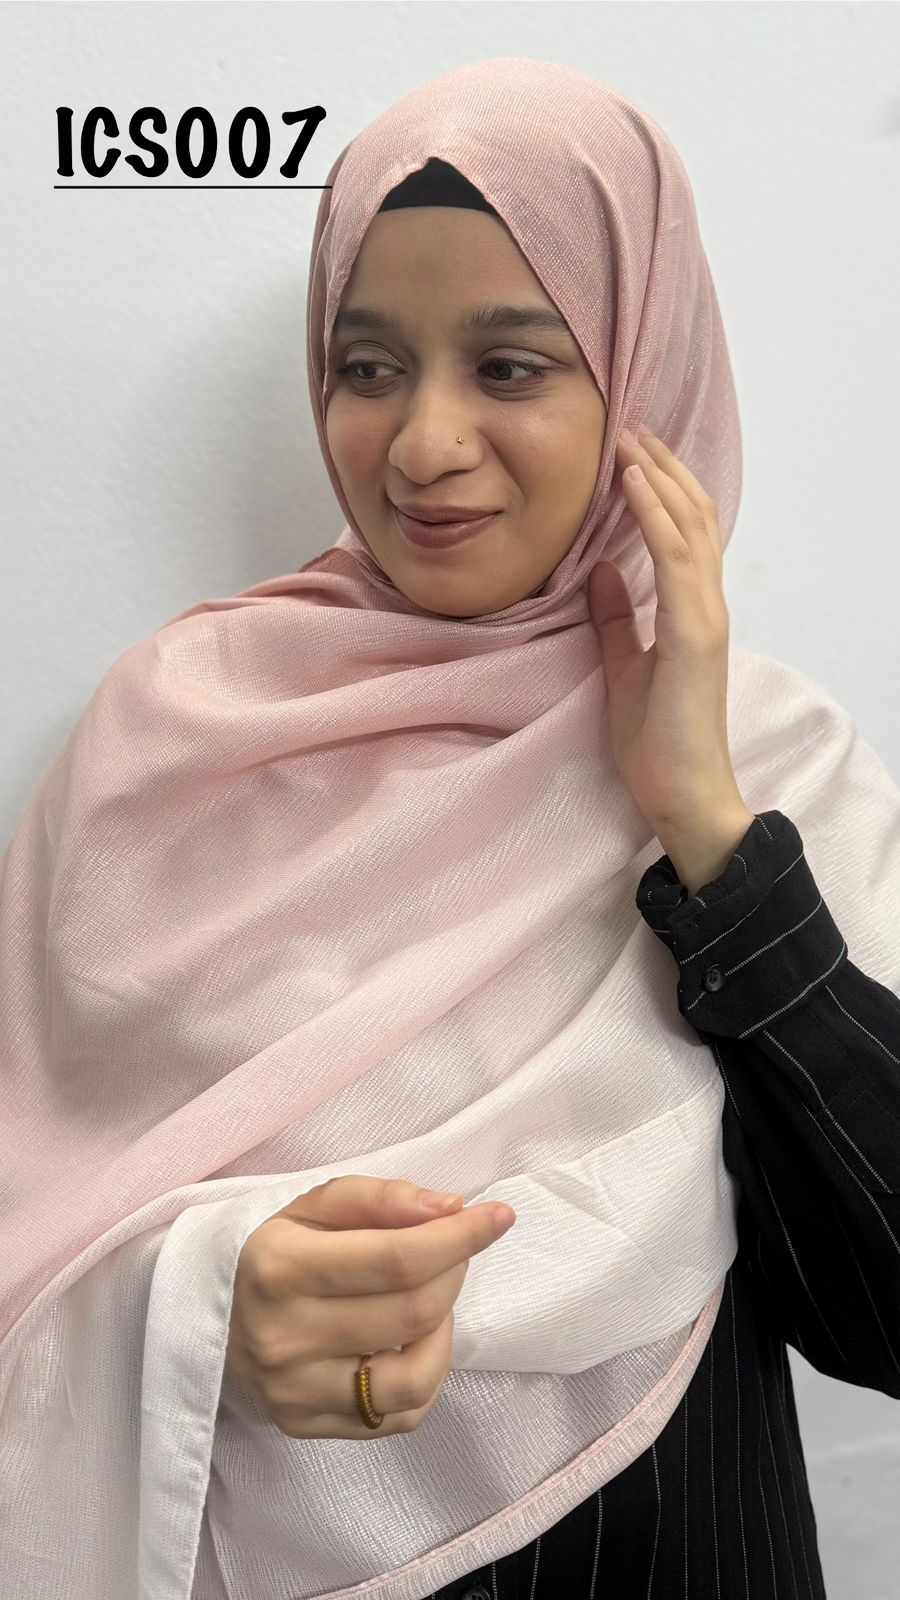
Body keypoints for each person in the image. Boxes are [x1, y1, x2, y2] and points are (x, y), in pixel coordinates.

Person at [1, 56, 898, 1600]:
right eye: (368, 366)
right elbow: (32, 1219)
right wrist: (201, 1308)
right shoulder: (174, 742)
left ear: (643, 377)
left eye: (509, 366)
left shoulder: (767, 765)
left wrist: (704, 827)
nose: (422, 444)